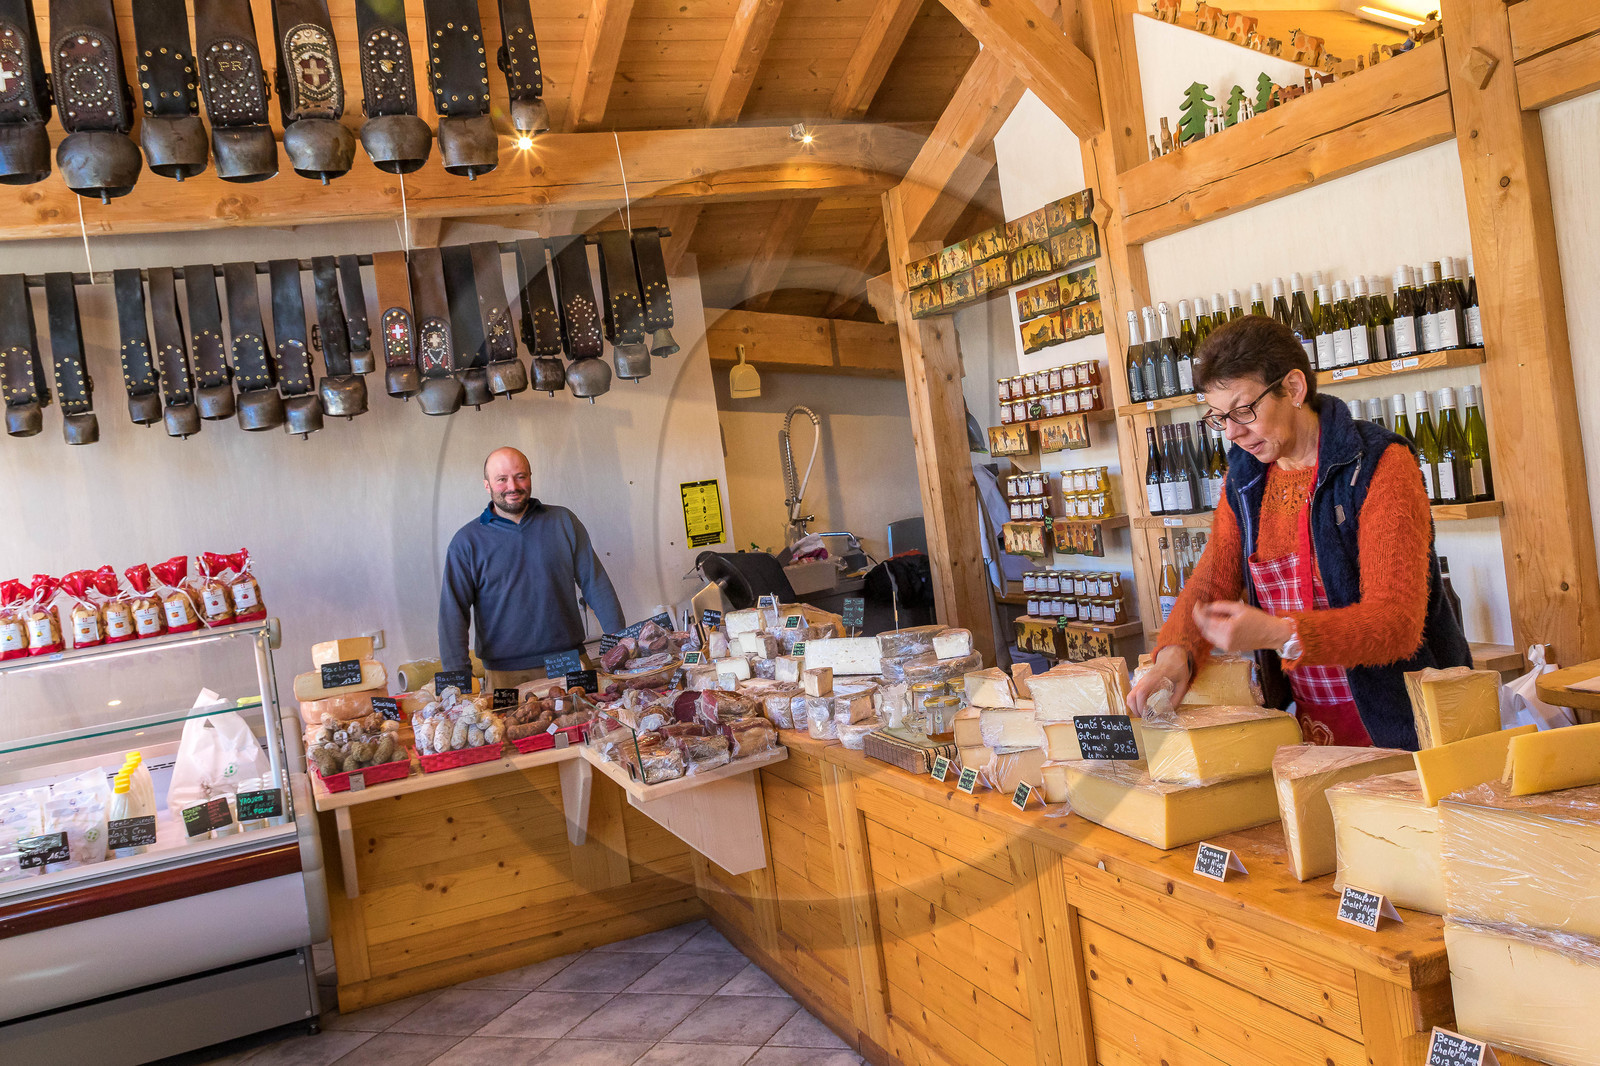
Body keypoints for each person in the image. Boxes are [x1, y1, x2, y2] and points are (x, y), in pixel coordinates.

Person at [1129, 316, 1469, 749]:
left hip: (1407, 721)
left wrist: (1278, 634)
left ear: (1292, 388)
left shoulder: (1379, 464)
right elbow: (1213, 580)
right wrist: (1176, 654)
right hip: (1310, 725)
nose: (1233, 432)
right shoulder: (1246, 478)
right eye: (1218, 418)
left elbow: (1397, 624)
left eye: (1243, 410)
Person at [439, 446, 626, 691]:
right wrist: (458, 684)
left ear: (530, 476)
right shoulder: (466, 542)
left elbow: (596, 583)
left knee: (590, 728)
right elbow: (453, 615)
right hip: (505, 675)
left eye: (520, 476)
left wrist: (621, 646)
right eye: (502, 479)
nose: (512, 486)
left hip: (569, 662)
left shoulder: (562, 521)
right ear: (487, 485)